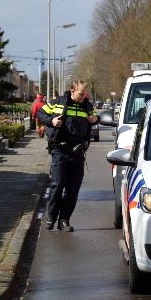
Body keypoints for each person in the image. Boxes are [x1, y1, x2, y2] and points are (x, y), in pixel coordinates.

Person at [37, 81, 98, 232]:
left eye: (85, 94)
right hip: (60, 150)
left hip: (77, 152)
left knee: (73, 189)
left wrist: (95, 119)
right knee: (58, 185)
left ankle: (64, 220)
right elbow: (40, 112)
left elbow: (96, 117)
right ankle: (51, 217)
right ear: (72, 91)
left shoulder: (87, 105)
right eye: (81, 94)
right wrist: (51, 120)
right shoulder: (58, 102)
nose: (84, 97)